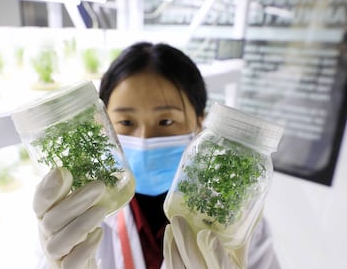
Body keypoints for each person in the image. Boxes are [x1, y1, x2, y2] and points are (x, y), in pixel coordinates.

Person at [33, 42, 281, 269]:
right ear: (103, 123)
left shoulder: (238, 227)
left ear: (200, 123)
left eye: (166, 121)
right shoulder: (72, 218)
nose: (144, 139)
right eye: (126, 121)